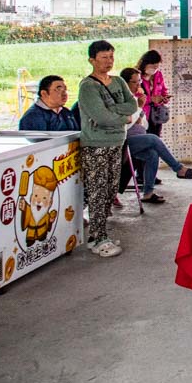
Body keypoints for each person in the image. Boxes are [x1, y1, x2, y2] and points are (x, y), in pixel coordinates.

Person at [76, 40, 139, 258]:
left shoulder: (119, 81)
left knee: (111, 190)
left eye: (111, 57)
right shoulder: (88, 86)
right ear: (92, 60)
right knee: (98, 191)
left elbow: (133, 105)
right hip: (95, 145)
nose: (108, 61)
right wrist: (121, 117)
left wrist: (113, 111)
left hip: (117, 142)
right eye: (104, 57)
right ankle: (97, 237)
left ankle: (101, 232)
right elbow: (100, 117)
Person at [118, 67, 192, 202]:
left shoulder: (135, 98)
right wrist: (138, 109)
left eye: (139, 82)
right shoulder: (121, 100)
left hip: (138, 137)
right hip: (124, 141)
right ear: (125, 83)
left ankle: (148, 192)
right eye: (135, 82)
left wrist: (138, 115)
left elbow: (143, 124)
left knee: (152, 154)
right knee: (154, 139)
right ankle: (179, 169)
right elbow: (125, 122)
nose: (138, 85)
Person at [136, 50, 170, 137]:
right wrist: (151, 99)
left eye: (156, 67)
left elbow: (163, 90)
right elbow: (133, 96)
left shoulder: (158, 75)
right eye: (152, 66)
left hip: (156, 115)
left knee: (155, 138)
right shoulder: (136, 76)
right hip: (142, 115)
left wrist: (164, 98)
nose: (154, 69)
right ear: (145, 64)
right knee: (144, 139)